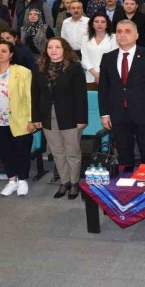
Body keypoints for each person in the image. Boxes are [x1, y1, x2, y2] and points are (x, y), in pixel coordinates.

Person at [99, 20, 145, 167]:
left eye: (127, 31)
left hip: (144, 114)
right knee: (124, 155)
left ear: (137, 35)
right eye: (119, 31)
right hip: (118, 114)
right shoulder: (108, 58)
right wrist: (104, 113)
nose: (123, 34)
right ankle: (126, 180)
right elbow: (103, 88)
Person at [31, 37, 88, 200]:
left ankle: (74, 183)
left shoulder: (74, 67)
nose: (53, 50)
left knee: (72, 152)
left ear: (65, 49)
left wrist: (81, 118)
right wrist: (36, 117)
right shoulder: (39, 67)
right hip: (47, 116)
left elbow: (81, 95)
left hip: (70, 117)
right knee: (57, 152)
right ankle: (65, 182)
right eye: (50, 47)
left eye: (57, 47)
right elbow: (34, 94)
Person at [0, 42, 34, 197]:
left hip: (19, 119)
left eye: (4, 51)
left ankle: (22, 180)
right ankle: (12, 180)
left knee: (21, 151)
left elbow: (30, 98)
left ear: (11, 54)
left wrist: (31, 119)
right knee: (5, 152)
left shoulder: (23, 72)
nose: (0, 54)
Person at [81, 12, 117, 88]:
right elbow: (84, 59)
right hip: (90, 76)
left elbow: (114, 58)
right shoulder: (85, 38)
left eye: (103, 22)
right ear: (92, 24)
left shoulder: (114, 38)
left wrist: (102, 75)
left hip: (109, 76)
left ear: (107, 25)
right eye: (96, 21)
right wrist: (95, 74)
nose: (99, 24)